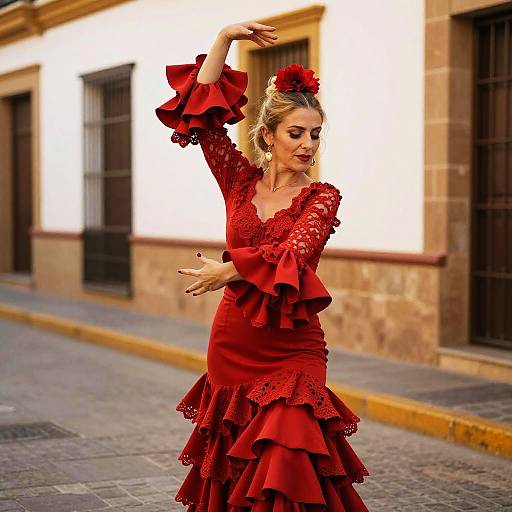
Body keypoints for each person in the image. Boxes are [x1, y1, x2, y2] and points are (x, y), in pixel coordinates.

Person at [155, 20, 370, 511]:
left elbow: (292, 255)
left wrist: (226, 271)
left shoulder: (322, 197)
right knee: (240, 473)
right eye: (296, 133)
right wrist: (223, 40)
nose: (308, 145)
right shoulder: (237, 180)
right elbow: (204, 119)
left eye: (315, 135)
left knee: (289, 455)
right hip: (235, 343)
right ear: (268, 135)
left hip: (293, 347)